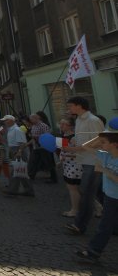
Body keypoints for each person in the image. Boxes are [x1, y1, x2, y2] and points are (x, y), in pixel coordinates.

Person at [63, 96, 105, 235]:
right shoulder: (79, 120)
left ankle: (80, 224)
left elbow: (99, 141)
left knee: (86, 193)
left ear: (79, 106)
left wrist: (75, 149)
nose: (69, 108)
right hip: (84, 161)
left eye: (70, 106)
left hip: (94, 162)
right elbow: (82, 138)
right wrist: (73, 143)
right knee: (87, 193)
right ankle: (82, 223)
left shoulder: (93, 120)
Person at [75, 130, 118, 263]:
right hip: (110, 197)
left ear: (115, 144)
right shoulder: (106, 156)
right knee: (107, 225)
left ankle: (93, 251)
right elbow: (85, 147)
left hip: (114, 198)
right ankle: (94, 250)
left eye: (103, 142)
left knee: (105, 226)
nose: (100, 144)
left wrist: (104, 170)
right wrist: (99, 137)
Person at [3, 115, 34, 197]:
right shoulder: (11, 129)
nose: (4, 122)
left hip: (18, 150)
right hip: (14, 150)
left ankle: (13, 189)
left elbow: (22, 143)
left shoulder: (17, 129)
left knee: (16, 170)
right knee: (21, 171)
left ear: (11, 121)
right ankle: (28, 190)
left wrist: (19, 151)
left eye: (6, 120)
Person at [59, 116, 82, 216]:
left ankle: (75, 210)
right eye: (61, 124)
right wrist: (61, 159)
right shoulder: (64, 135)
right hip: (67, 165)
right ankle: (98, 207)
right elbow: (63, 149)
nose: (61, 126)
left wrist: (65, 155)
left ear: (71, 126)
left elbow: (79, 153)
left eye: (64, 124)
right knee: (77, 189)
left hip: (75, 166)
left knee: (73, 188)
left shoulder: (74, 137)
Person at [27, 113, 57, 183]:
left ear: (36, 118)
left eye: (32, 119)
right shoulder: (33, 126)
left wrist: (36, 136)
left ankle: (54, 178)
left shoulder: (43, 125)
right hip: (36, 147)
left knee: (48, 162)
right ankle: (31, 175)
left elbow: (47, 135)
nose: (31, 121)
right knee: (33, 161)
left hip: (44, 147)